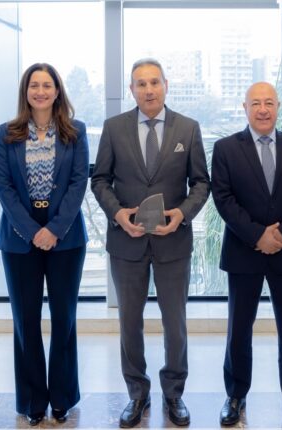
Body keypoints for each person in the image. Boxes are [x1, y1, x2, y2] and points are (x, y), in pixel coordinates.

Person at [91, 58, 210, 428]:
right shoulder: (114, 128)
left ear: (165, 85)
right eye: (140, 84)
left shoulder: (188, 128)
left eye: (154, 82)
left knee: (175, 323)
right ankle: (137, 393)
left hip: (173, 242)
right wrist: (118, 214)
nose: (148, 90)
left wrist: (182, 214)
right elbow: (100, 180)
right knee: (130, 322)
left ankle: (174, 394)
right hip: (126, 243)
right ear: (132, 90)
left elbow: (201, 183)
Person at [211, 82, 282, 427]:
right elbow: (223, 199)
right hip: (244, 251)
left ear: (278, 107)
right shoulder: (226, 149)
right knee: (239, 328)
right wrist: (258, 235)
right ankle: (235, 395)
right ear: (244, 107)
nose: (262, 109)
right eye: (255, 103)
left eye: (269, 102)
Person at [0, 63, 89, 426]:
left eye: (47, 85)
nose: (40, 91)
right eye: (34, 85)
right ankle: (33, 400)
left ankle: (62, 398)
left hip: (66, 237)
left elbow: (79, 183)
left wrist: (54, 229)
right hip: (19, 238)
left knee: (64, 319)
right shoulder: (7, 133)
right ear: (26, 92)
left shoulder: (76, 131)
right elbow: (4, 186)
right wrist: (32, 231)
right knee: (26, 321)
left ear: (57, 91)